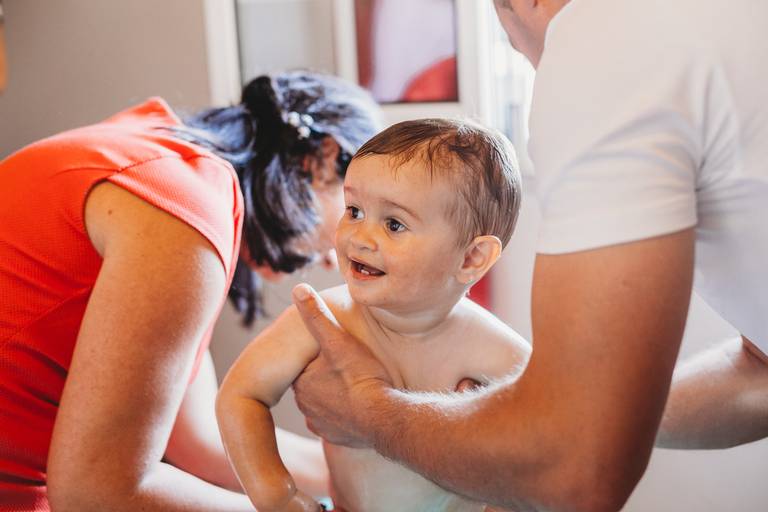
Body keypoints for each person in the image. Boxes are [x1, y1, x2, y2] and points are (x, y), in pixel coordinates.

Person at [287, 1, 768, 511]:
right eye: (354, 210)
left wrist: (368, 413)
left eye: (396, 222)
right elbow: (761, 371)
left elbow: (576, 473)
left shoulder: (602, 52)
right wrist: (585, 407)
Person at [0, 70, 381, 511]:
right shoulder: (183, 209)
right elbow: (97, 490)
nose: (336, 258)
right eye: (355, 210)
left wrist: (368, 475)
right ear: (319, 159)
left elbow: (197, 437)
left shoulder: (156, 150)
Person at [216, 118, 530, 512]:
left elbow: (542, 458)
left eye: (394, 224)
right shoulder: (323, 317)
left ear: (472, 258)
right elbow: (241, 394)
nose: (360, 238)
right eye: (354, 210)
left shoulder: (499, 355)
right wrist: (276, 494)